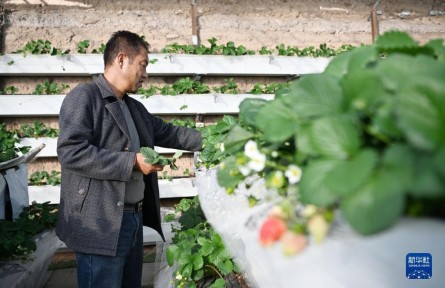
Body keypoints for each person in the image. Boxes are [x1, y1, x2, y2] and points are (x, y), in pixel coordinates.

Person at [56, 30, 202, 287]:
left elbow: (172, 134)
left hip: (131, 220)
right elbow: (71, 151)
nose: (145, 74)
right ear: (121, 59)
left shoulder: (134, 108)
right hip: (100, 224)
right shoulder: (85, 97)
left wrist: (220, 140)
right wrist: (133, 162)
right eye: (142, 65)